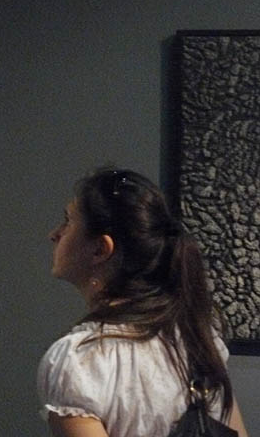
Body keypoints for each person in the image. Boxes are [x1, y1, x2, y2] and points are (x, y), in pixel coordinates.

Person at [37, 167, 248, 437]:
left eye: (68, 221)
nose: (54, 234)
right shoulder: (194, 339)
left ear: (100, 249)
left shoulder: (80, 362)